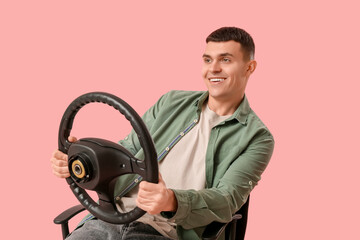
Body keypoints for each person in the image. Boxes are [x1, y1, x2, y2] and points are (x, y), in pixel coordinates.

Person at [51, 27, 274, 240]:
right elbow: (126, 151)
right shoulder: (171, 101)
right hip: (111, 217)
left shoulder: (257, 138)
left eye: (225, 60)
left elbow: (226, 200)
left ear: (249, 67)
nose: (213, 68)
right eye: (207, 60)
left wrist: (171, 201)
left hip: (167, 231)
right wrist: (81, 160)